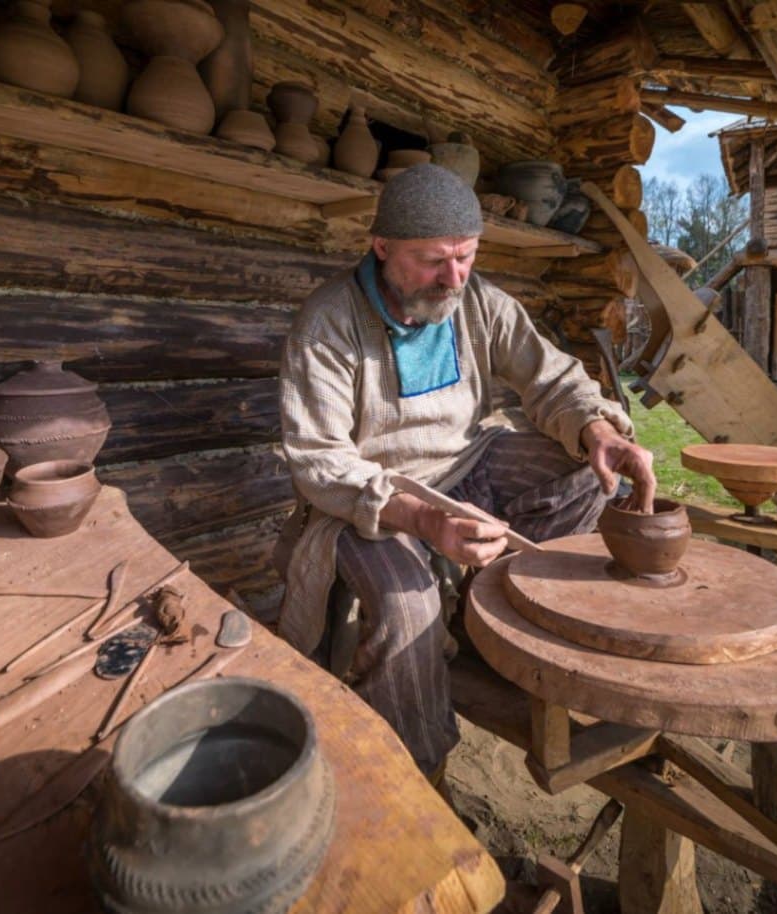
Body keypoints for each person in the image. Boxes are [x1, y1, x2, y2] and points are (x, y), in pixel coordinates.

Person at [275, 164, 656, 776]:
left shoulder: (478, 303)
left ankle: (496, 619)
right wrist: (427, 522)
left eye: (466, 257)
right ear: (382, 247)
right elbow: (321, 464)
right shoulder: (329, 324)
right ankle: (416, 770)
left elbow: (552, 378)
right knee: (407, 612)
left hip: (469, 464)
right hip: (375, 499)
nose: (453, 277)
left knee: (586, 469)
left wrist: (600, 431)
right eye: (432, 261)